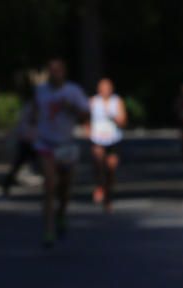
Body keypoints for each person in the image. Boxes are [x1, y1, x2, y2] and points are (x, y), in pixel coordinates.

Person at [30, 58, 89, 248]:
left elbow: (86, 115)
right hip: (46, 143)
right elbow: (33, 113)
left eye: (58, 70)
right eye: (51, 70)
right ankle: (48, 230)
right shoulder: (41, 91)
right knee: (49, 186)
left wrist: (70, 107)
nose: (55, 74)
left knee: (64, 186)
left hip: (66, 144)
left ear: (64, 72)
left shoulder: (73, 91)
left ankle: (61, 214)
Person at [88, 78, 127, 212]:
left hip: (113, 139)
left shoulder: (117, 101)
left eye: (107, 88)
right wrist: (88, 132)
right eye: (102, 88)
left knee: (111, 168)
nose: (105, 90)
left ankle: (108, 195)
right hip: (97, 138)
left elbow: (123, 121)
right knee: (99, 163)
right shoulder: (93, 102)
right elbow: (86, 118)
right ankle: (100, 185)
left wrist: (114, 117)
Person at [0, 83, 38, 198]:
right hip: (29, 139)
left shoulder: (31, 106)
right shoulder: (31, 107)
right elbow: (27, 123)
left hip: (33, 139)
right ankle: (6, 185)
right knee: (19, 164)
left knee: (41, 165)